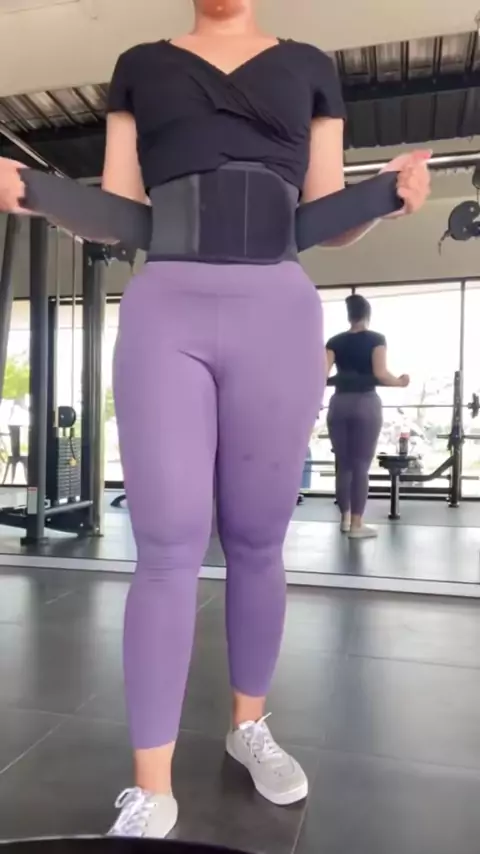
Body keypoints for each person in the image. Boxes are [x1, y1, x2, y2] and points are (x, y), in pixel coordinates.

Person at [0, 0, 430, 838]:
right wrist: (32, 192)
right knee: (166, 541)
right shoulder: (140, 65)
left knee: (258, 536)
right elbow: (124, 216)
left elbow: (320, 222)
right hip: (167, 309)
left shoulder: (310, 67)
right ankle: (151, 786)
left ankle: (248, 726)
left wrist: (388, 197)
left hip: (278, 311)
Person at [326, 294, 410, 538]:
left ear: (349, 316)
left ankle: (344, 519)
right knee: (360, 465)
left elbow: (321, 375)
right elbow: (381, 373)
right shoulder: (376, 339)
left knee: (343, 464)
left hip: (338, 404)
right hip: (365, 403)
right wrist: (400, 382)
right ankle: (357, 525)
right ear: (367, 315)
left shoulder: (334, 341)